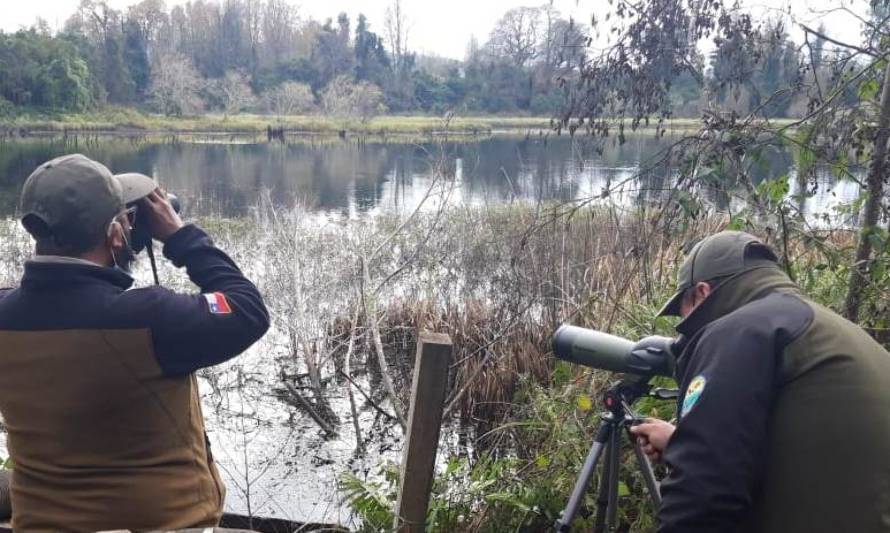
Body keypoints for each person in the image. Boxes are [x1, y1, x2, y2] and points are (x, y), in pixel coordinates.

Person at [0, 154, 270, 531]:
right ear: (114, 234)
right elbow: (247, 309)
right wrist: (180, 237)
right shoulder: (150, 317)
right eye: (125, 220)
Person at [629, 230, 890, 533]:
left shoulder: (742, 329)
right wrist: (681, 442)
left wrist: (693, 460)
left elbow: (704, 492)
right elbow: (814, 453)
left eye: (682, 309)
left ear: (702, 292)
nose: (682, 326)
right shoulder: (829, 328)